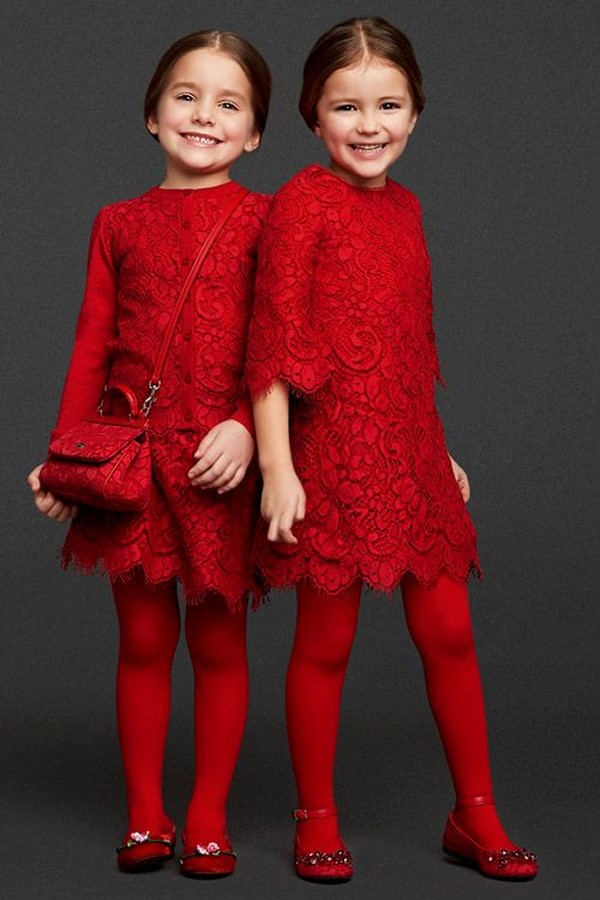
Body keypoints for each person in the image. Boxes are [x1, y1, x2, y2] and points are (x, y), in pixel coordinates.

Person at [246, 16, 537, 883]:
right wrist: (277, 468)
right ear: (313, 115)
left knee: (449, 633)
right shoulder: (302, 202)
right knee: (326, 641)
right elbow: (272, 346)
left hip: (410, 456)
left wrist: (436, 449)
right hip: (330, 459)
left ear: (415, 113)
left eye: (388, 105)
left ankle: (474, 813)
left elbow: (410, 349)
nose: (369, 125)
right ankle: (315, 818)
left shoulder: (406, 209)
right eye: (347, 106)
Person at [27, 29, 271, 878]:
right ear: (151, 113)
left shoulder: (266, 219)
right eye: (186, 95)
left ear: (255, 134)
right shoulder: (118, 222)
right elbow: (91, 343)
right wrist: (66, 456)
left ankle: (207, 813)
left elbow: (280, 343)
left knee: (219, 645)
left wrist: (245, 425)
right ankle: (144, 812)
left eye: (228, 103)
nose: (204, 115)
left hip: (219, 466)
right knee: (140, 640)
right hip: (133, 463)